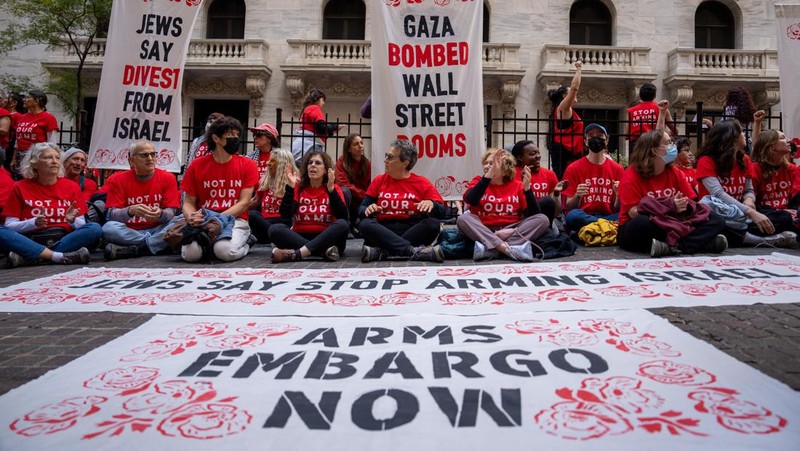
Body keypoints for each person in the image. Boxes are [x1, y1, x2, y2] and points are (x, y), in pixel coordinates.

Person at [617, 129, 728, 257]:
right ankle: (700, 244)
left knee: (716, 219)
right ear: (654, 150)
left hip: (675, 222)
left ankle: (674, 247)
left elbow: (691, 201)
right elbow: (634, 212)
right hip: (646, 224)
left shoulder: (674, 172)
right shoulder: (631, 175)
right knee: (642, 223)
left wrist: (683, 206)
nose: (673, 146)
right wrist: (669, 206)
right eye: (668, 143)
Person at [696, 119, 796, 248]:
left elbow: (748, 190)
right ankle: (760, 240)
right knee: (718, 223)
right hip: (719, 211)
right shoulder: (706, 160)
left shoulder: (744, 159)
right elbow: (718, 194)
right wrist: (750, 211)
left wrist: (749, 200)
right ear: (731, 137)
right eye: (742, 132)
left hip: (742, 212)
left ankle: (743, 235)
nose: (744, 135)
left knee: (784, 218)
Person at [1, 142, 101, 268]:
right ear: (35, 163)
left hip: (64, 238)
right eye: (48, 157)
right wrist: (32, 223)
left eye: (57, 158)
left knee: (94, 228)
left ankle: (34, 257)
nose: (54, 161)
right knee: (1, 231)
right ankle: (58, 256)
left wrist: (71, 220)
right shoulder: (19, 187)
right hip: (31, 238)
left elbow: (82, 225)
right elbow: (10, 226)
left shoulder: (71, 187)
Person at [179, 116, 259, 262]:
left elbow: (244, 202)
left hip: (235, 220)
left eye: (237, 135)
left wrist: (217, 219)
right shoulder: (197, 165)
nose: (235, 138)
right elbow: (188, 201)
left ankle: (246, 242)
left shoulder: (248, 165)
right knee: (191, 255)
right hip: (204, 220)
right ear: (216, 138)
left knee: (224, 252)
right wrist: (190, 216)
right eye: (230, 135)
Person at [359, 139, 445, 263]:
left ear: (405, 163)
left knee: (433, 224)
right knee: (365, 224)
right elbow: (361, 209)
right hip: (384, 229)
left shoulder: (422, 182)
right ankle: (413, 252)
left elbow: (443, 211)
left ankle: (384, 252)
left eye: (390, 157)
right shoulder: (379, 180)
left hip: (410, 228)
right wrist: (367, 209)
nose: (385, 160)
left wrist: (432, 204)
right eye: (386, 156)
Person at [457, 148, 550, 262]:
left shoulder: (517, 185)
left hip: (512, 230)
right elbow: (471, 200)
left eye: (492, 163)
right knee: (463, 219)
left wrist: (527, 189)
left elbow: (533, 214)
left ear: (505, 168)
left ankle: (490, 250)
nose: (487, 166)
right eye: (485, 163)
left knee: (543, 219)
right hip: (484, 229)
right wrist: (488, 176)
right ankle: (506, 249)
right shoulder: (478, 180)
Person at [101, 140, 181, 260]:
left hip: (159, 228)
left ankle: (138, 249)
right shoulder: (118, 180)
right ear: (132, 161)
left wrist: (160, 214)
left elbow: (171, 212)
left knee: (183, 221)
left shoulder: (168, 178)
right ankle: (154, 244)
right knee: (108, 228)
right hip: (131, 231)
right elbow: (112, 215)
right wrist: (130, 211)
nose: (150, 158)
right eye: (144, 155)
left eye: (153, 154)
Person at [269, 150, 349, 262]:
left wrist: (331, 192)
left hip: (326, 237)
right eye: (310, 162)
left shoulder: (333, 188)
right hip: (300, 236)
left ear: (326, 170)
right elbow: (285, 214)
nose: (313, 165)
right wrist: (290, 188)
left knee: (342, 224)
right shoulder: (299, 188)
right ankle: (322, 253)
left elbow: (343, 216)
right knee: (275, 229)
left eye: (318, 163)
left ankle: (297, 253)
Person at [561, 123, 624, 234]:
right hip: (585, 214)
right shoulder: (573, 168)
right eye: (591, 135)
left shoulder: (617, 169)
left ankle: (595, 228)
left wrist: (618, 194)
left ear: (607, 140)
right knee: (573, 216)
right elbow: (568, 206)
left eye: (600, 136)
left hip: (609, 215)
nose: (595, 139)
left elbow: (619, 208)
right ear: (585, 141)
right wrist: (577, 195)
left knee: (626, 216)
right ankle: (605, 227)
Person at [748, 129, 798, 240]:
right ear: (772, 147)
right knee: (785, 218)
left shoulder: (792, 169)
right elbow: (752, 202)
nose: (789, 141)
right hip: (765, 215)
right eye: (782, 138)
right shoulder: (755, 168)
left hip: (788, 215)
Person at [511, 140, 565, 224]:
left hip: (545, 221)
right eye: (532, 154)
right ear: (520, 157)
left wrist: (556, 194)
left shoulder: (549, 174)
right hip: (521, 220)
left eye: (538, 153)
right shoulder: (511, 175)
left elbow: (556, 212)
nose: (538, 156)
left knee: (547, 201)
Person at [248, 148, 296, 244]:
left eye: (272, 161)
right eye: (269, 160)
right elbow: (254, 202)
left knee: (253, 215)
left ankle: (279, 235)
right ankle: (276, 237)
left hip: (283, 223)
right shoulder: (265, 181)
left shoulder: (293, 182)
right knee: (252, 214)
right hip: (264, 223)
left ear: (282, 164)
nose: (268, 163)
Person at [546, 61, 584, 179]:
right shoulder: (563, 108)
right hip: (565, 151)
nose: (574, 95)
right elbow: (574, 88)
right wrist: (578, 69)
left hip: (571, 151)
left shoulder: (566, 110)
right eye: (570, 94)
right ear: (564, 96)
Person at [12, 90, 58, 177]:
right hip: (20, 156)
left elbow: (52, 142)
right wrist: (14, 158)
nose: (24, 100)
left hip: (36, 157)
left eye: (28, 97)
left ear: (36, 101)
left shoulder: (48, 118)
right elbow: (18, 140)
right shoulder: (23, 117)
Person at [291, 88, 344, 164]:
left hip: (303, 146)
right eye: (323, 100)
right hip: (310, 146)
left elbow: (316, 130)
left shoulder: (307, 109)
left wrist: (333, 130)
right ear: (317, 99)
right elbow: (321, 127)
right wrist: (335, 127)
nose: (323, 103)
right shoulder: (314, 108)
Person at [335, 133, 371, 224]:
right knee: (344, 191)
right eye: (356, 144)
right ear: (348, 149)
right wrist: (363, 194)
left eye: (361, 143)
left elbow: (371, 184)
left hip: (362, 201)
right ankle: (347, 224)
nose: (360, 146)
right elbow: (342, 184)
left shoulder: (367, 163)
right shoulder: (342, 162)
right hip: (349, 201)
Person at [722, 87, 757, 154]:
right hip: (747, 141)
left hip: (733, 142)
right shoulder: (748, 110)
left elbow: (724, 124)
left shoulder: (730, 109)